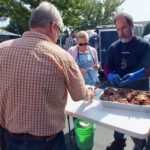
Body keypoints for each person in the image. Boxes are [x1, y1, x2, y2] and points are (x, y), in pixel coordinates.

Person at [0, 2, 95, 150]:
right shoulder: (62, 56)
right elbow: (78, 95)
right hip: (47, 142)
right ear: (53, 27)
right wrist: (89, 93)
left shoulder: (2, 49)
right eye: (59, 31)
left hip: (9, 138)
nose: (58, 36)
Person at [104, 12, 150, 150]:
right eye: (118, 29)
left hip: (140, 94)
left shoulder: (144, 45)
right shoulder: (114, 47)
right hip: (120, 93)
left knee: (138, 127)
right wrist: (110, 74)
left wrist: (139, 74)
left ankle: (140, 145)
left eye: (124, 28)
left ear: (132, 26)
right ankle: (119, 142)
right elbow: (106, 67)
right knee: (118, 123)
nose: (121, 33)